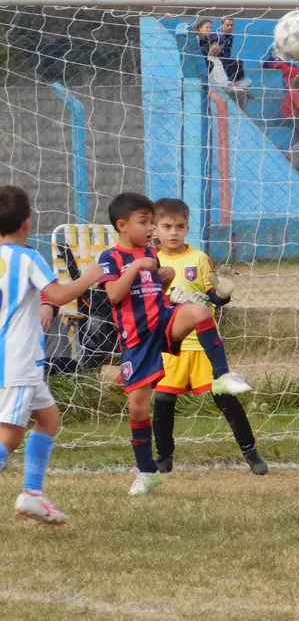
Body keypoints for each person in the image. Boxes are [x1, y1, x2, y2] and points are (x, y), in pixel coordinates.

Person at [98, 192, 251, 496]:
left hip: (162, 322)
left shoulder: (151, 256)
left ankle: (221, 376)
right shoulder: (110, 258)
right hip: (137, 340)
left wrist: (165, 280)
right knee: (138, 410)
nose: (151, 229)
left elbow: (155, 293)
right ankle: (147, 472)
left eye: (152, 222)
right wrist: (136, 267)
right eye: (145, 223)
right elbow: (114, 295)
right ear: (122, 225)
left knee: (199, 311)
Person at [0, 186, 103, 524]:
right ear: (28, 223)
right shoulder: (27, 257)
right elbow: (58, 294)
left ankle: (32, 493)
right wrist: (88, 277)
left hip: (20, 360)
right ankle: (31, 494)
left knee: (48, 419)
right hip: (17, 361)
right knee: (10, 434)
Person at [151, 199, 267, 476]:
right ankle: (164, 457)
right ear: (156, 228)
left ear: (187, 228)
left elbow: (213, 297)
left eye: (179, 227)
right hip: (171, 347)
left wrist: (223, 294)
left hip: (203, 346)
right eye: (167, 226)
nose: (173, 232)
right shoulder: (151, 262)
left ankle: (251, 453)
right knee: (164, 402)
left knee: (226, 399)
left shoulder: (199, 259)